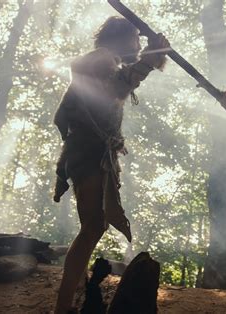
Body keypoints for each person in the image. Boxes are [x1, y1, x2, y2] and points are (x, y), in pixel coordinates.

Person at [52, 16, 169, 314]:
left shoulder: (104, 60)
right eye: (136, 38)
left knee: (94, 225)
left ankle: (78, 295)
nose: (138, 44)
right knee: (93, 226)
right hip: (89, 153)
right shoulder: (100, 58)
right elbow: (112, 91)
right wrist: (149, 59)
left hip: (89, 152)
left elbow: (69, 115)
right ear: (121, 37)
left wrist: (152, 57)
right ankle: (63, 307)